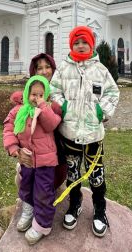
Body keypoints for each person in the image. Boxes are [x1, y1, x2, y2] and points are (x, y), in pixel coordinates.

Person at [50, 26, 120, 237]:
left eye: (84, 42)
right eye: (76, 42)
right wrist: (63, 106)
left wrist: (103, 110)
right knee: (73, 173)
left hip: (93, 136)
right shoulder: (64, 68)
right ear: (71, 46)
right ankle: (75, 204)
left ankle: (99, 210)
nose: (80, 45)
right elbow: (54, 89)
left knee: (96, 175)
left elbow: (112, 92)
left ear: (91, 44)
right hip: (70, 132)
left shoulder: (100, 70)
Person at [3, 75, 61, 245]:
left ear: (47, 95)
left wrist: (42, 107)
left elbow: (51, 125)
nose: (36, 98)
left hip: (45, 161)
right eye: (33, 94)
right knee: (26, 184)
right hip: (26, 158)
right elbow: (8, 128)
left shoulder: (49, 109)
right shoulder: (18, 111)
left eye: (40, 94)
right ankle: (28, 209)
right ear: (27, 93)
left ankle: (42, 224)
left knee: (44, 191)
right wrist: (14, 148)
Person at [12, 53, 67, 189]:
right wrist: (17, 150)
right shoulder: (28, 98)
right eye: (39, 68)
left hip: (58, 151)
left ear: (54, 69)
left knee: (50, 186)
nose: (44, 72)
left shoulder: (61, 93)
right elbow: (15, 127)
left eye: (47, 67)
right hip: (34, 152)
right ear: (34, 71)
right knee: (29, 185)